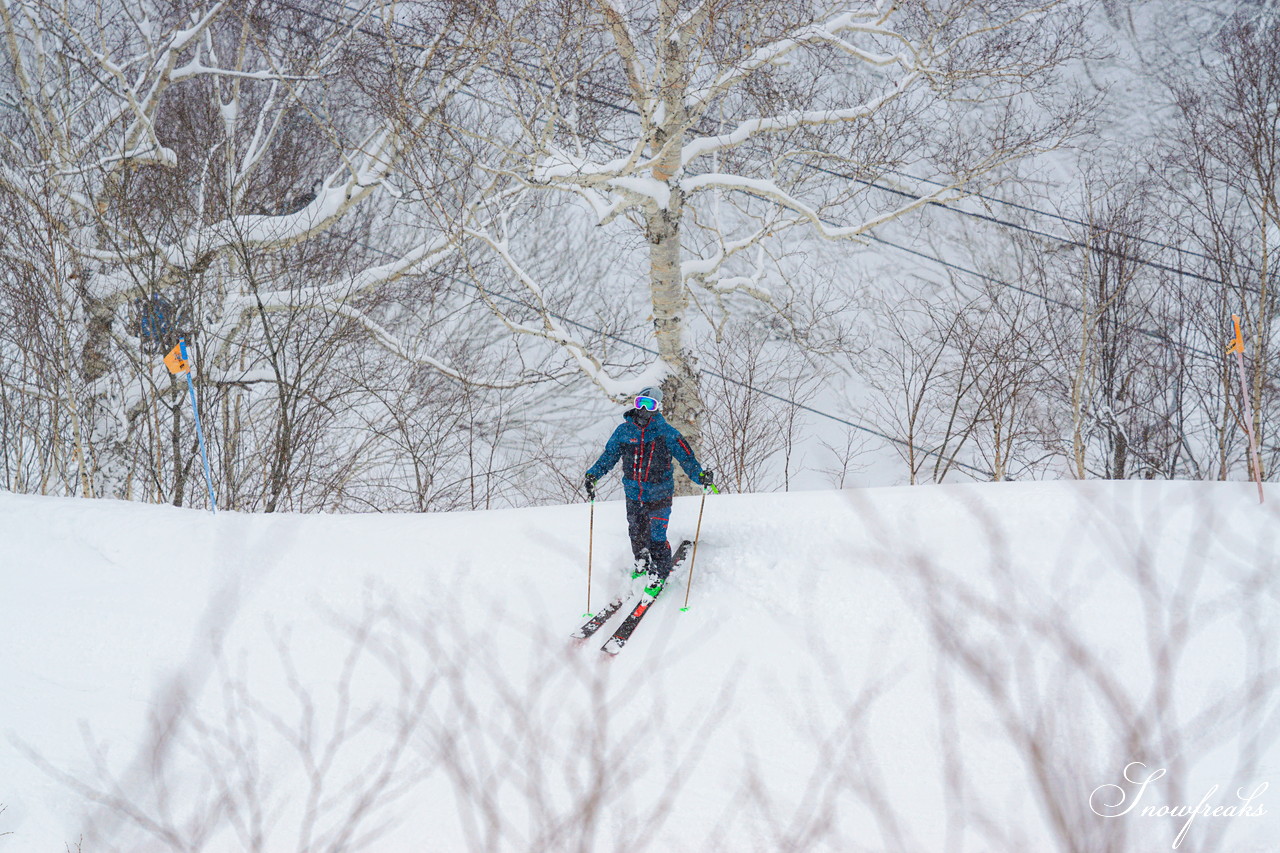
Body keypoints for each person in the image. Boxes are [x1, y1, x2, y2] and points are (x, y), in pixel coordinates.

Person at [584, 386, 715, 593]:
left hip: (660, 493)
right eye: (640, 403)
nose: (643, 409)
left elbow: (686, 457)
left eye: (650, 405)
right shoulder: (624, 431)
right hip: (633, 492)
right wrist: (593, 475)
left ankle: (659, 574)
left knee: (657, 535)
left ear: (657, 408)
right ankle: (642, 559)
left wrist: (700, 476)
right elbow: (608, 456)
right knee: (636, 532)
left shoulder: (666, 432)